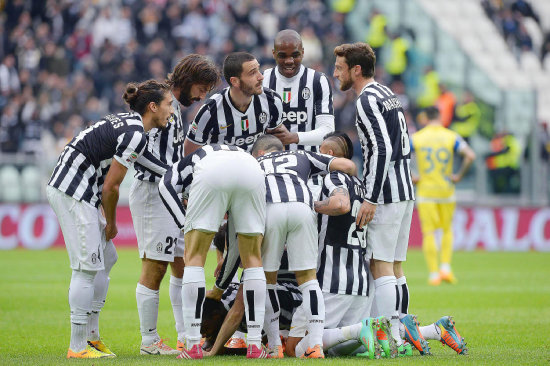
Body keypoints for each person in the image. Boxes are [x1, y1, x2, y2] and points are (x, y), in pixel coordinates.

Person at [46, 80, 173, 358]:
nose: (171, 112)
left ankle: (92, 338)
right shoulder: (136, 134)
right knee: (86, 268)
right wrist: (112, 222)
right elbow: (112, 187)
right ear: (153, 107)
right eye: (168, 105)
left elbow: (153, 164)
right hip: (74, 189)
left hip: (81, 189)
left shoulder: (130, 124)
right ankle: (78, 347)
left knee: (108, 257)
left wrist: (182, 177)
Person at [333, 42, 425, 355]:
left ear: (355, 70)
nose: (336, 73)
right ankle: (401, 333)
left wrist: (371, 198)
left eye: (340, 68)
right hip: (404, 190)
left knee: (381, 265)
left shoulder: (366, 100)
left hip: (385, 193)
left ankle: (390, 339)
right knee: (396, 267)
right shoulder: (387, 93)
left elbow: (382, 148)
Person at [129, 54, 220, 355]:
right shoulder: (159, 103)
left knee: (183, 263)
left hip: (170, 193)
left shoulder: (176, 109)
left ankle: (184, 334)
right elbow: (140, 149)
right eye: (202, 87)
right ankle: (149, 340)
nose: (202, 95)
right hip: (152, 192)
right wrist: (171, 175)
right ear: (188, 79)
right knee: (155, 266)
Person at [158, 144, 269, 359]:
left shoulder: (186, 168)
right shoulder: (233, 153)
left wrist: (185, 224)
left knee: (194, 257)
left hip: (212, 170)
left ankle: (192, 345)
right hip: (251, 168)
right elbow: (236, 249)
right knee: (253, 258)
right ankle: (255, 345)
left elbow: (164, 186)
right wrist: (219, 288)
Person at [251, 134, 357, 358]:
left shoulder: (255, 162)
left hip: (271, 208)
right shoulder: (301, 154)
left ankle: (273, 347)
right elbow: (347, 165)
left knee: (268, 280)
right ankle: (316, 346)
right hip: (303, 205)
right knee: (308, 279)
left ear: (260, 152)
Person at [263, 29, 335, 199]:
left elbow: (328, 132)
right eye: (282, 56)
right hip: (270, 173)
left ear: (303, 52)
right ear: (273, 54)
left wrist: (294, 138)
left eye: (295, 55)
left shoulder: (318, 81)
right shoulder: (263, 80)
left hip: (310, 175)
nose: (289, 61)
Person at [411, 106, 476, 285]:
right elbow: (470, 155)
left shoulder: (417, 137)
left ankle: (433, 274)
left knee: (429, 232)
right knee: (447, 230)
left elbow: (399, 155)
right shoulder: (451, 136)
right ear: (439, 116)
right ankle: (446, 268)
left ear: (425, 117)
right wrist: (458, 176)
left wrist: (412, 176)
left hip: (426, 190)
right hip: (446, 190)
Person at [184, 52, 285, 155]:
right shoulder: (210, 110)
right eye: (252, 73)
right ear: (235, 81)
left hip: (257, 167)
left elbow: (279, 144)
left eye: (258, 70)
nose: (261, 77)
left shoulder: (272, 100)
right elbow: (189, 153)